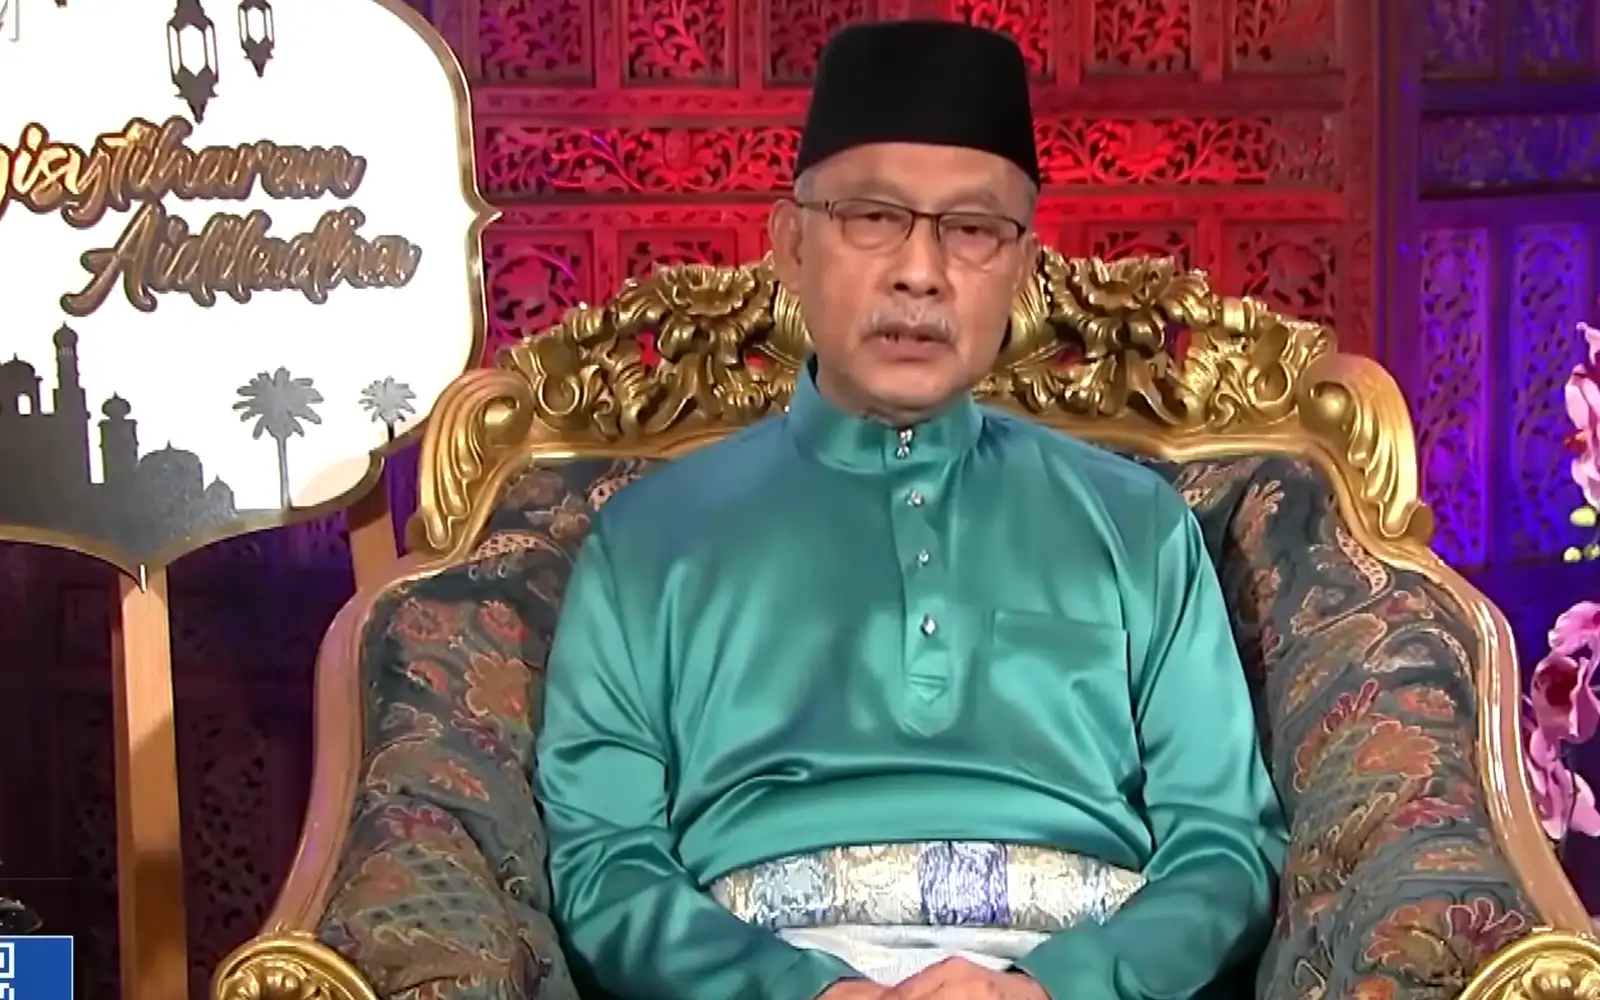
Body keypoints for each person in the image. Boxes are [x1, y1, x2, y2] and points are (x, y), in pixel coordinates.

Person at [534, 18, 1288, 1000]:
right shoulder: (648, 541)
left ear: (1022, 266)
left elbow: (1225, 846)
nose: (920, 271)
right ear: (790, 244)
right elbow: (606, 862)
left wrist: (1053, 985)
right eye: (872, 216)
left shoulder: (1138, 527)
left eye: (971, 230)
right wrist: (807, 992)